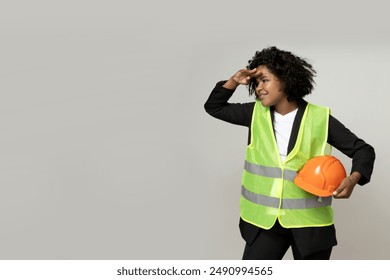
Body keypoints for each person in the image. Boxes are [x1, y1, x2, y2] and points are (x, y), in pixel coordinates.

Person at [204, 46, 375, 260]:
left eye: (265, 80)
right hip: (264, 224)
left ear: (285, 80)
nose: (258, 88)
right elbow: (214, 107)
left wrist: (353, 178)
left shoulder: (319, 118)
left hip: (309, 225)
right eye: (256, 83)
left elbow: (363, 150)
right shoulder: (253, 113)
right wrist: (234, 81)